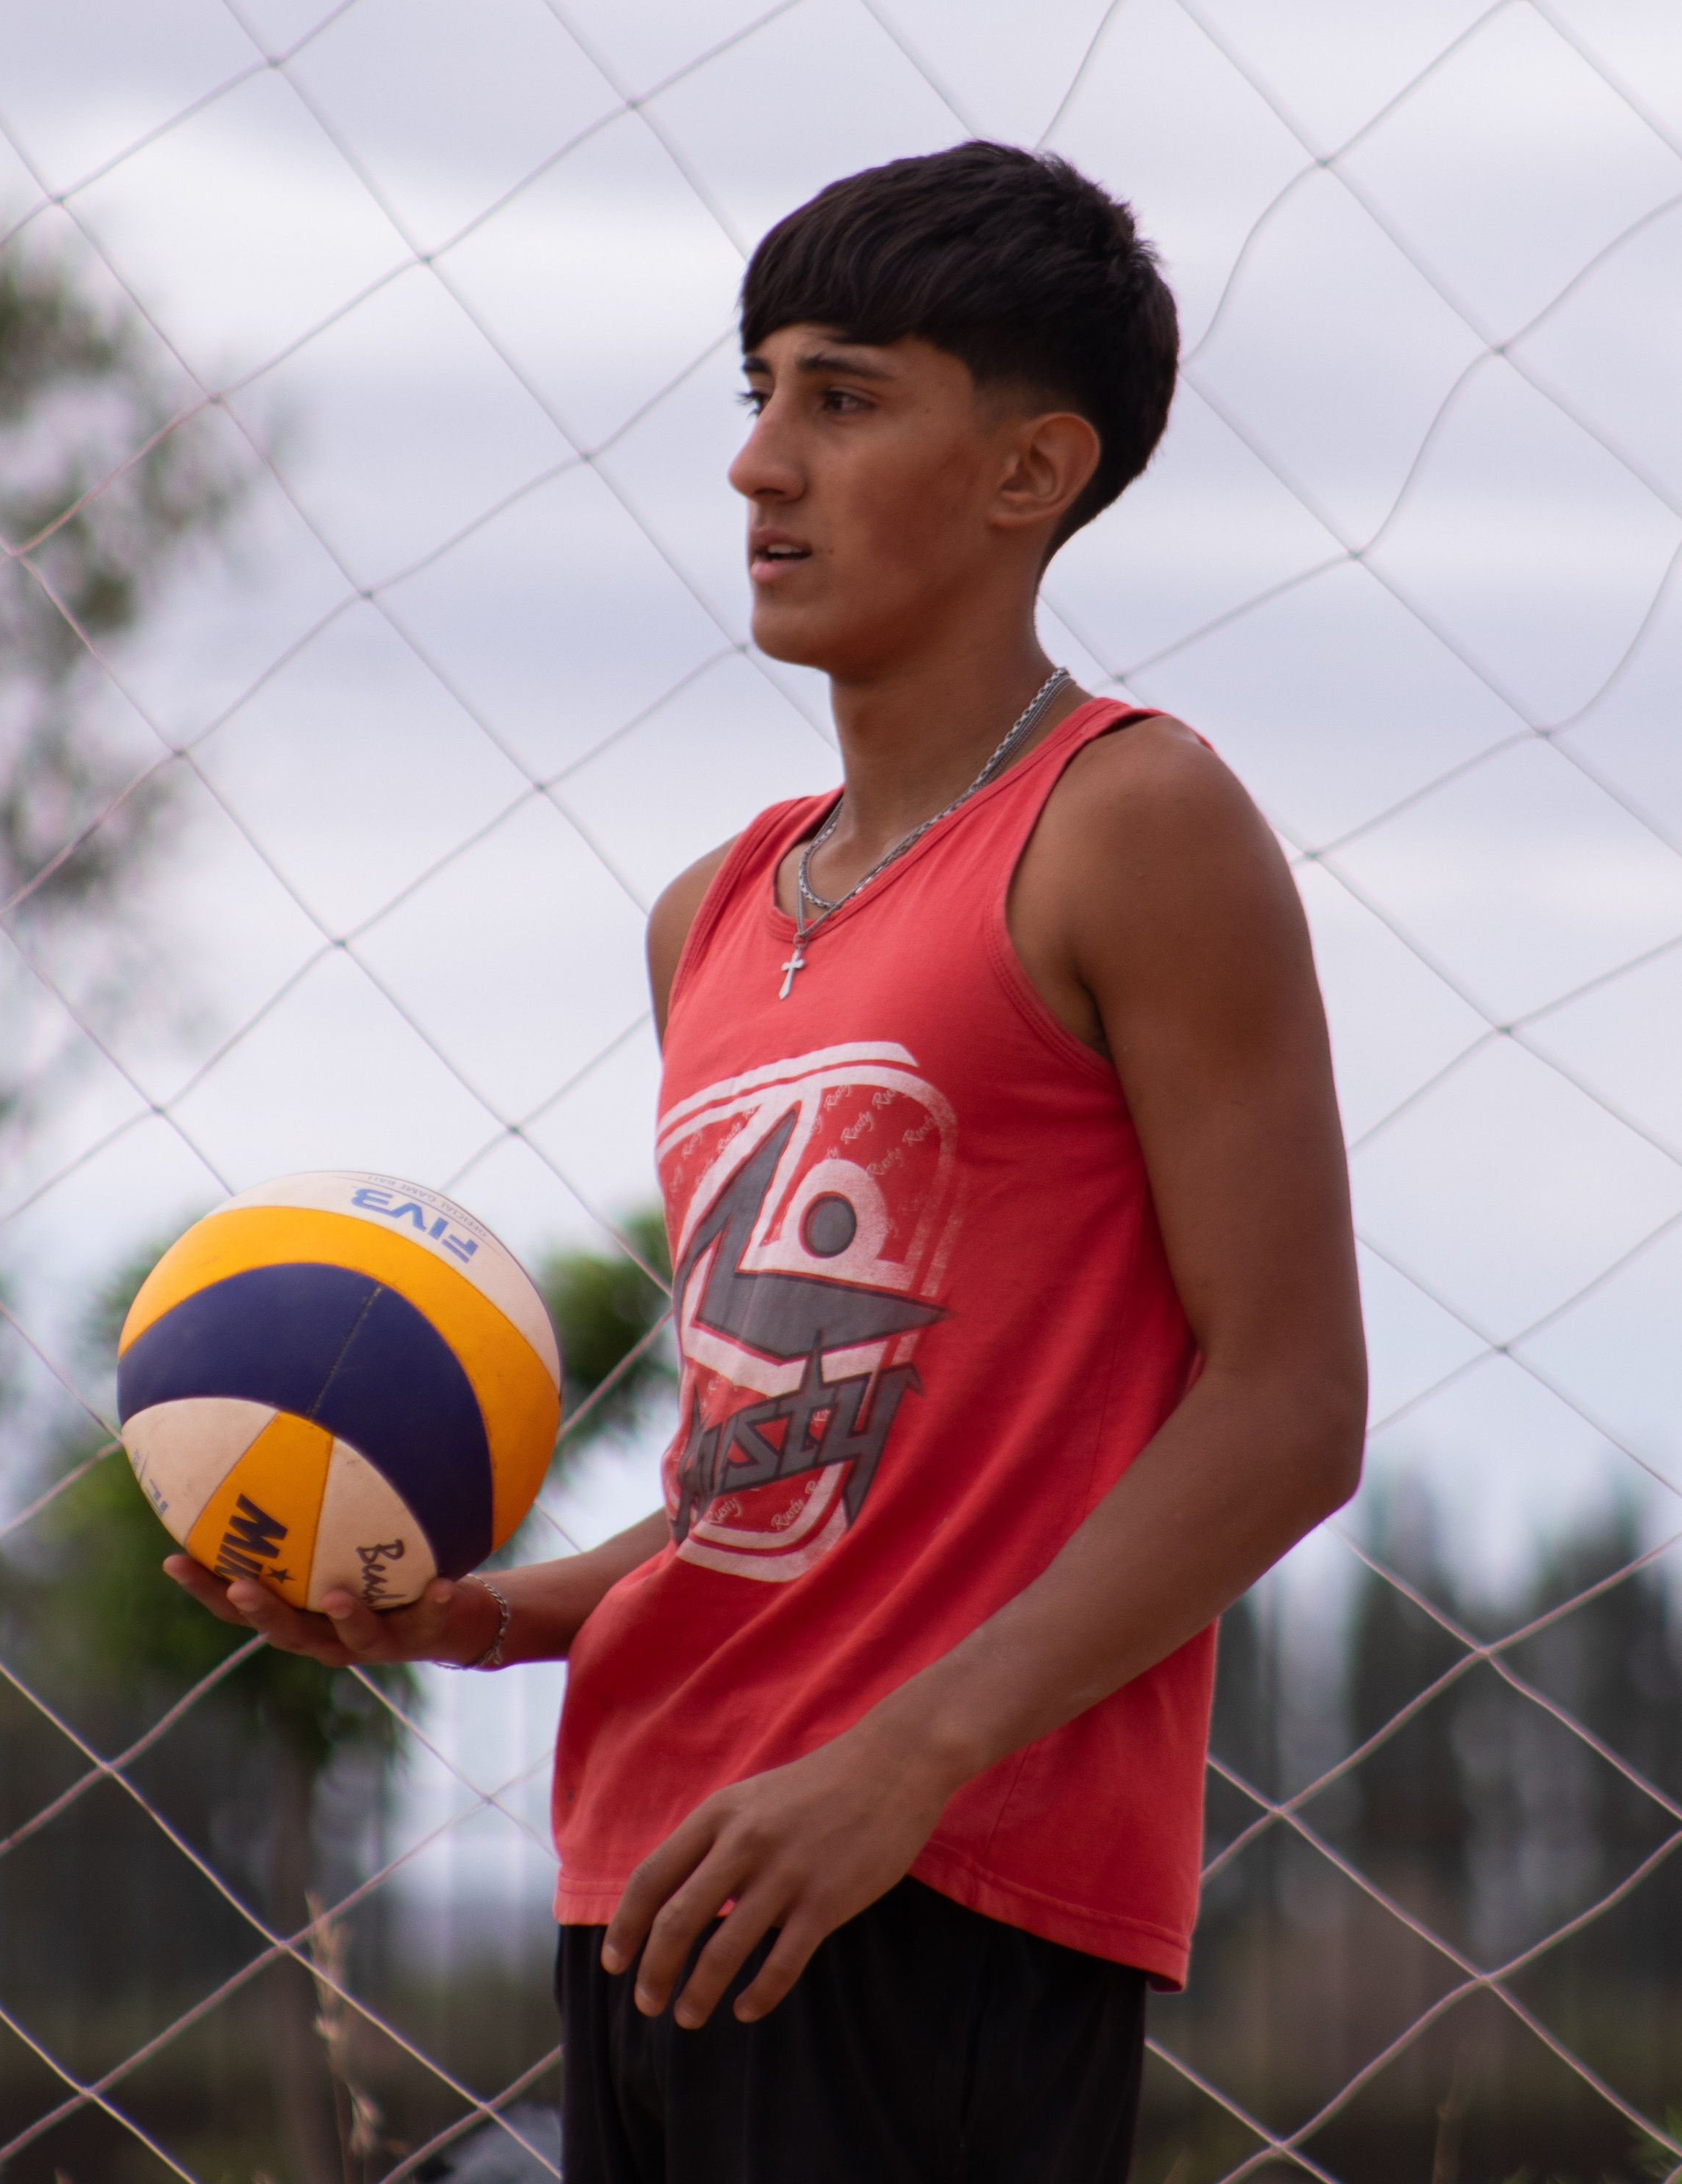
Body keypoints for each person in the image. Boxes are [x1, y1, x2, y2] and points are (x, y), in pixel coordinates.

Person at [167, 141, 1366, 2183]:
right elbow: (783, 1485)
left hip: (936, 1879)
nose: (759, 467)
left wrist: (907, 1760)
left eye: (845, 395)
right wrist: (485, 1619)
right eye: (758, 394)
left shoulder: (1135, 821)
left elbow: (1288, 1413)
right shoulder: (711, 915)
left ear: (1031, 471)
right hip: (646, 1870)